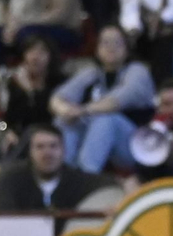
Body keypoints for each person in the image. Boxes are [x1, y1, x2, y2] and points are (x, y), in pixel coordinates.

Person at [50, 25, 156, 176]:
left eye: (117, 42)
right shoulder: (92, 73)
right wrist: (65, 111)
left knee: (106, 119)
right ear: (97, 48)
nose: (110, 47)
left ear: (127, 48)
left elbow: (117, 101)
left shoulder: (137, 71)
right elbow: (57, 98)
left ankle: (86, 177)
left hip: (136, 145)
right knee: (65, 120)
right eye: (105, 42)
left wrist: (82, 110)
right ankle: (62, 173)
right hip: (96, 137)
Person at [0, 125, 110, 235]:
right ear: (30, 152)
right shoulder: (9, 179)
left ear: (63, 151)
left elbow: (108, 182)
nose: (47, 153)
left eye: (53, 146)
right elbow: (1, 221)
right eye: (40, 147)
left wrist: (124, 185)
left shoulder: (76, 179)